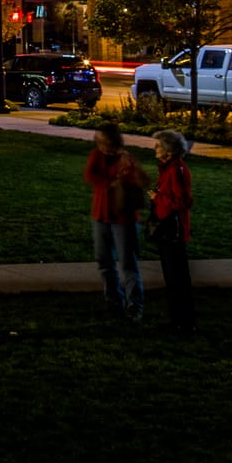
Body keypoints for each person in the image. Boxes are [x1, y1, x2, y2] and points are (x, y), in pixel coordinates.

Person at [85, 125, 147, 320]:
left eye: (104, 142)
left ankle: (134, 304)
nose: (101, 145)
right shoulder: (97, 156)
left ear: (113, 141)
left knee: (128, 263)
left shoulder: (126, 158)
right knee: (104, 261)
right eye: (98, 142)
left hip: (123, 219)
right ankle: (113, 300)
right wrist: (109, 184)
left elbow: (136, 181)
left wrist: (120, 177)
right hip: (101, 216)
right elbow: (90, 175)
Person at [149, 128, 195, 334]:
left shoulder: (176, 170)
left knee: (177, 278)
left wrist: (158, 198)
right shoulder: (168, 169)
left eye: (159, 145)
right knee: (173, 278)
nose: (155, 148)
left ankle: (182, 322)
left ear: (169, 150)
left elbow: (183, 201)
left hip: (172, 231)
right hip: (167, 229)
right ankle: (178, 320)